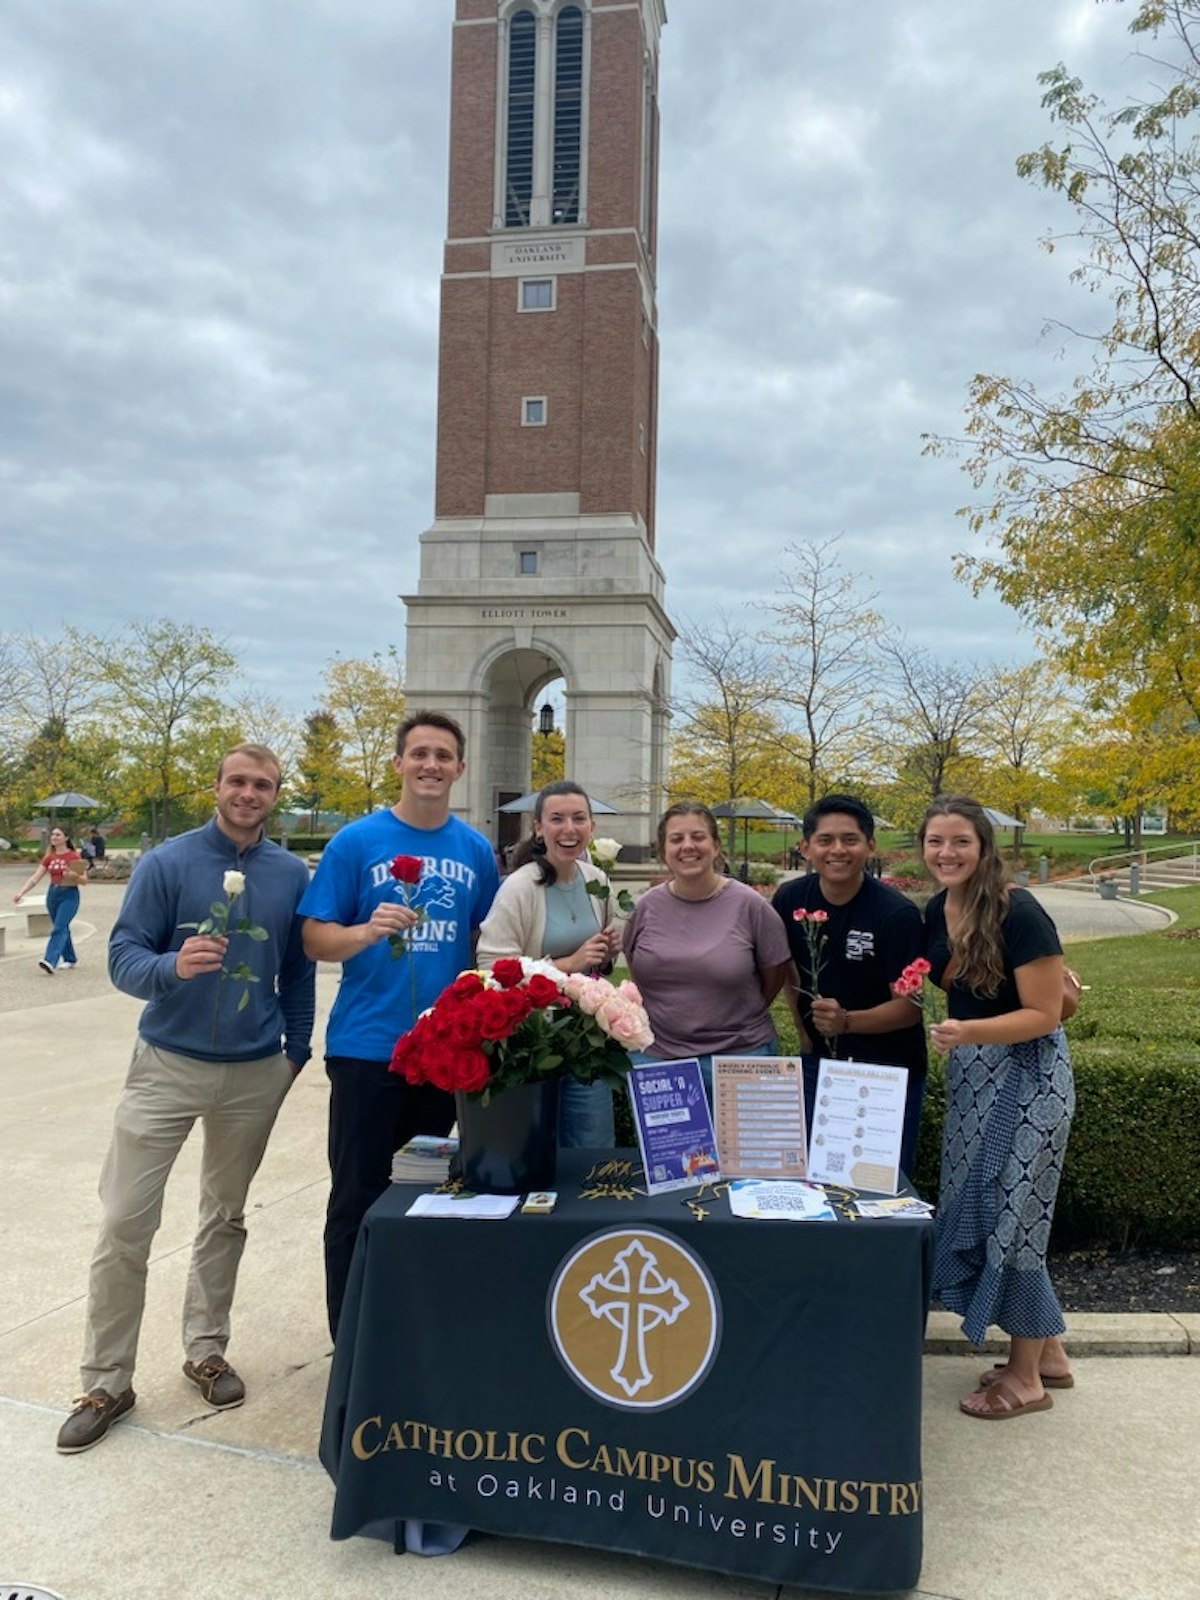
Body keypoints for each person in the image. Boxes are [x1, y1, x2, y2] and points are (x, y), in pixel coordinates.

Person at [56, 745, 315, 1454]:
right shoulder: (168, 863)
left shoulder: (292, 873)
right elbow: (122, 956)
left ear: (274, 796)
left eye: (263, 785)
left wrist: (297, 1049)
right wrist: (171, 967)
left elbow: (295, 971)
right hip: (166, 1065)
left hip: (253, 1070)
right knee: (123, 1223)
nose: (248, 793)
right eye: (238, 781)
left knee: (224, 1215)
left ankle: (206, 1349)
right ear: (217, 786)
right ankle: (106, 1379)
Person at [299, 711, 499, 1337]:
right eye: (419, 754)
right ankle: (350, 1334)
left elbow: (484, 946)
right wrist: (364, 931)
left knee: (432, 1196)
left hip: (444, 1055)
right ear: (398, 764)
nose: (431, 765)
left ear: (460, 769)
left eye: (443, 755)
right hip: (367, 1050)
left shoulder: (473, 850)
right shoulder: (356, 842)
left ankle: (410, 1331)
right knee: (357, 1197)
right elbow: (312, 938)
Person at [920, 794, 1075, 1420]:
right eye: (935, 841)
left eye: (960, 841)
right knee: (991, 1207)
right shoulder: (939, 909)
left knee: (1015, 1217)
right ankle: (1052, 1357)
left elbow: (1042, 1015)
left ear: (984, 847)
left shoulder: (1020, 911)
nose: (946, 853)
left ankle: (1025, 1380)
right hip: (975, 1075)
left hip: (1029, 1080)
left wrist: (968, 1033)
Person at [771, 794, 928, 1176]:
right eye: (825, 840)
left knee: (874, 1188)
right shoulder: (791, 899)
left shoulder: (897, 914)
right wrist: (803, 1030)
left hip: (886, 1073)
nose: (838, 850)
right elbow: (788, 968)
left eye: (850, 839)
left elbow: (910, 1007)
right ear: (805, 847)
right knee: (811, 1177)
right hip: (818, 1065)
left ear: (871, 845)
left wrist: (847, 1022)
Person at [477, 781, 622, 1146]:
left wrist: (607, 954)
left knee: (593, 1150)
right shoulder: (519, 888)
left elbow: (598, 969)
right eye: (556, 819)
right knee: (536, 1149)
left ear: (592, 827)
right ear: (539, 828)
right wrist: (568, 963)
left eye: (579, 818)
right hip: (534, 1047)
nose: (569, 829)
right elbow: (493, 970)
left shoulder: (597, 881)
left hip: (587, 1043)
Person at [623, 802, 791, 1093]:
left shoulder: (751, 907)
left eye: (698, 837)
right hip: (657, 1059)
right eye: (676, 839)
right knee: (673, 1141)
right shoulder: (645, 908)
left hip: (740, 1056)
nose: (688, 846)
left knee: (742, 1142)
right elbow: (638, 971)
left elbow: (774, 975)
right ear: (663, 851)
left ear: (715, 846)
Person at [14, 826, 88, 973]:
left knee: (59, 928)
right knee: (62, 927)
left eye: (58, 835)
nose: (54, 837)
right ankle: (70, 958)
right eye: (53, 835)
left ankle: (50, 960)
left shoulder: (74, 856)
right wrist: (21, 893)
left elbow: (84, 880)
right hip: (53, 894)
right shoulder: (50, 857)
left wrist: (74, 876)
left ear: (66, 838)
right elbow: (35, 878)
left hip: (69, 894)